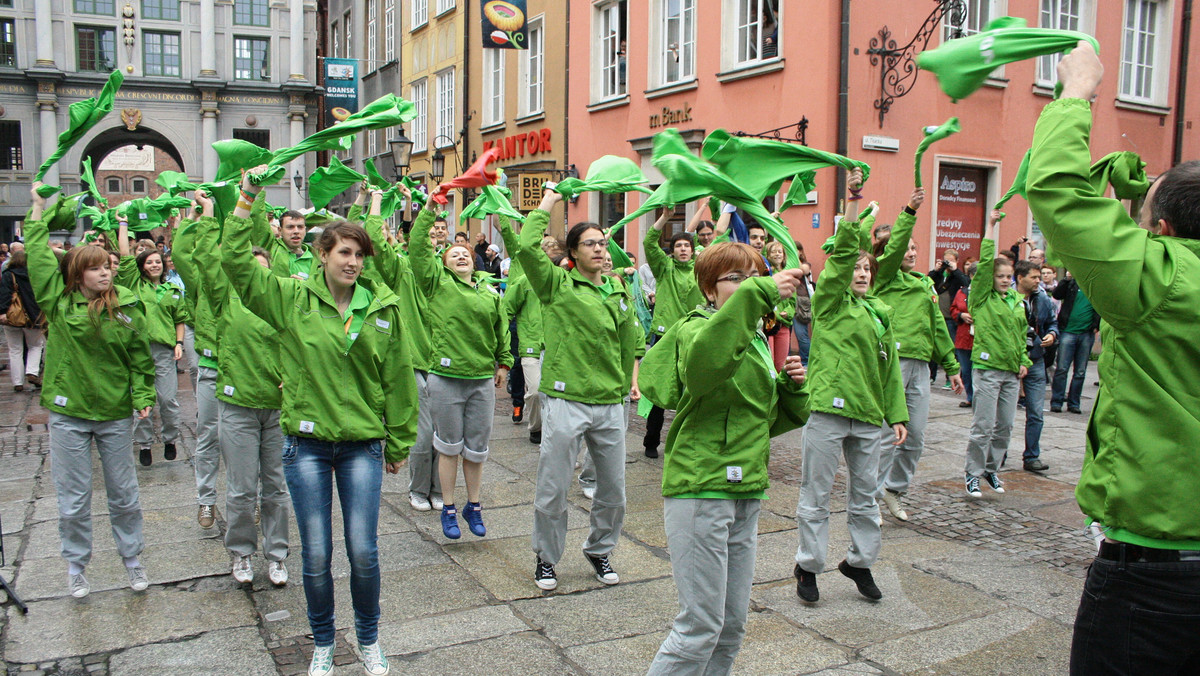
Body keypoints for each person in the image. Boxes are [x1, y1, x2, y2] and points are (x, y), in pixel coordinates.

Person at [1028, 41, 1200, 674]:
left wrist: (1076, 96)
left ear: (1160, 235)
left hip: (1153, 575)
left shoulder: (1159, 279)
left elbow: (1056, 192)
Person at [223, 169, 417, 676]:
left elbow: (397, 378)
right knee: (315, 554)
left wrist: (398, 442)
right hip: (305, 447)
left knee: (364, 550)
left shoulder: (382, 307)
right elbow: (235, 266)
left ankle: (370, 640)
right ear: (322, 256)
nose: (353, 262)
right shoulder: (291, 300)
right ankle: (325, 643)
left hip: (362, 447)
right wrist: (246, 199)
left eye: (359, 254)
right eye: (344, 253)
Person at [643, 243, 810, 674]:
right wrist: (759, 292)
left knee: (731, 626)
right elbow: (704, 369)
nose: (747, 284)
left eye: (752, 275)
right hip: (702, 487)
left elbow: (760, 420)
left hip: (746, 489)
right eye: (734, 277)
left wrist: (791, 389)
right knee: (700, 626)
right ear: (708, 288)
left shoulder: (754, 338)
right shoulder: (695, 329)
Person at [26, 183, 155, 598]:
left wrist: (143, 399)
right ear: (77, 273)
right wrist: (37, 207)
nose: (105, 272)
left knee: (124, 493)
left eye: (108, 267)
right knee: (74, 498)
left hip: (115, 413)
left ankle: (132, 560)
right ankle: (76, 565)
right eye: (96, 268)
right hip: (69, 413)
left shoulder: (128, 306)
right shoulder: (59, 304)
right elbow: (38, 258)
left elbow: (140, 359)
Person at [520, 190, 643, 592]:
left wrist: (629, 384)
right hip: (566, 398)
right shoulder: (556, 284)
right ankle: (546, 558)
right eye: (589, 243)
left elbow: (628, 345)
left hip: (610, 402)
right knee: (553, 486)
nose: (599, 249)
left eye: (602, 243)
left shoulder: (618, 290)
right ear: (573, 251)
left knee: (613, 490)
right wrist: (549, 202)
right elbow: (525, 244)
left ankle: (600, 548)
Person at [794, 172, 908, 604]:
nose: (860, 272)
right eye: (855, 267)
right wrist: (854, 198)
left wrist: (896, 413)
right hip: (827, 409)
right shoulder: (828, 300)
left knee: (865, 497)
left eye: (867, 268)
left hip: (867, 415)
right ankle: (808, 565)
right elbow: (842, 254)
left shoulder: (881, 311)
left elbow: (890, 369)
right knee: (816, 494)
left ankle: (859, 563)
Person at [190, 190, 290, 587]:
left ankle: (278, 554)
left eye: (262, 269)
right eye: (249, 269)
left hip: (278, 407)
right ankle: (242, 553)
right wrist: (222, 210)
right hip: (237, 406)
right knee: (242, 488)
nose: (255, 276)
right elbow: (207, 256)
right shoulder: (224, 300)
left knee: (277, 486)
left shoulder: (282, 302)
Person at [410, 202, 511, 540]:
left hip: (481, 379)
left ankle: (475, 504)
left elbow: (501, 330)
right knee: (449, 445)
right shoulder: (436, 284)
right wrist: (427, 211)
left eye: (465, 253)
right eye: (453, 255)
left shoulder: (488, 290)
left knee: (477, 448)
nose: (461, 256)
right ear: (443, 264)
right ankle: (450, 507)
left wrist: (503, 362)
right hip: (446, 378)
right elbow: (418, 250)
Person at [871, 189, 963, 522]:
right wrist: (909, 211)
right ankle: (869, 499)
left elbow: (937, 324)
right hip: (892, 363)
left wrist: (951, 365)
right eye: (904, 247)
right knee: (886, 436)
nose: (910, 251)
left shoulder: (925, 284)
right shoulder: (883, 277)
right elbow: (894, 250)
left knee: (916, 436)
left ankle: (893, 489)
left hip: (921, 366)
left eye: (914, 247)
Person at [963, 212, 1031, 499]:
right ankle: (972, 474)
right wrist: (991, 226)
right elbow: (988, 258)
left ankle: (991, 468)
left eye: (1007, 277)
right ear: (989, 278)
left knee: (1004, 427)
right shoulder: (981, 297)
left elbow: (1021, 333)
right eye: (999, 276)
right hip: (988, 369)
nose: (1004, 281)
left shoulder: (1017, 301)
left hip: (1011, 371)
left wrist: (1024, 361)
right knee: (983, 425)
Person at [117, 220, 190, 467]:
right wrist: (124, 225)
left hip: (164, 351)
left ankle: (170, 439)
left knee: (168, 399)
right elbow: (124, 257)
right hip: (138, 352)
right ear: (142, 266)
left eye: (158, 261)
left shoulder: (173, 290)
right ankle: (145, 444)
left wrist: (179, 343)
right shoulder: (134, 285)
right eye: (149, 262)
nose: (155, 264)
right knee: (142, 401)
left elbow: (180, 319)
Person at [642, 210, 703, 458]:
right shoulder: (664, 268)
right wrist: (665, 217)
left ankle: (682, 442)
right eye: (678, 246)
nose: (683, 249)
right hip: (664, 335)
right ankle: (650, 440)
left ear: (693, 249)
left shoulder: (701, 270)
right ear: (673, 250)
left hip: (691, 335)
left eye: (687, 245)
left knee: (690, 391)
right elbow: (649, 242)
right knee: (660, 389)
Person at [1015, 261, 1057, 472]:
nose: (1038, 281)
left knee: (1036, 412)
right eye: (1034, 277)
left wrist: (1052, 334)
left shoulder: (1042, 299)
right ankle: (996, 455)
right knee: (1002, 415)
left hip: (1036, 359)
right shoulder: (1007, 298)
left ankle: (1032, 456)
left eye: (1040, 277)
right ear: (1020, 278)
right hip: (1010, 360)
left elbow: (1052, 322)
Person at [1050, 271, 1097, 414]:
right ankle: (1057, 401)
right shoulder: (1072, 283)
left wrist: (1096, 325)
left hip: (1087, 333)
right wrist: (1066, 279)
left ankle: (1074, 403)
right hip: (1068, 331)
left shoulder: (1095, 286)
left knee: (1080, 371)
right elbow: (1057, 294)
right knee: (1062, 368)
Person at [0, 250, 46, 391]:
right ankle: (32, 371)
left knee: (15, 349)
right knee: (36, 345)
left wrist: (2, 311)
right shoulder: (35, 275)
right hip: (33, 315)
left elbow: (5, 294)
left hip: (12, 317)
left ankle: (17, 382)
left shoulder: (8, 274)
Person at [762, 240, 794, 370]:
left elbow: (793, 302)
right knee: (770, 360)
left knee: (781, 364)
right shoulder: (766, 275)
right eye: (773, 252)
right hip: (770, 321)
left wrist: (789, 312)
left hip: (784, 324)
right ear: (767, 255)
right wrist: (778, 316)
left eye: (780, 251)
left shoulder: (789, 275)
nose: (777, 254)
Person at [950, 263, 977, 408]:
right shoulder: (963, 292)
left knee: (978, 370)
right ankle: (970, 396)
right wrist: (961, 315)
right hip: (964, 337)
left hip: (980, 338)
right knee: (966, 370)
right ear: (971, 276)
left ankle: (980, 398)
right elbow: (953, 309)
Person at [272, 210, 319, 280]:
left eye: (300, 227)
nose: (296, 231)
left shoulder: (318, 259)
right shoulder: (271, 249)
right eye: (290, 227)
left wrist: (304, 286)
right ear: (280, 230)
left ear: (305, 230)